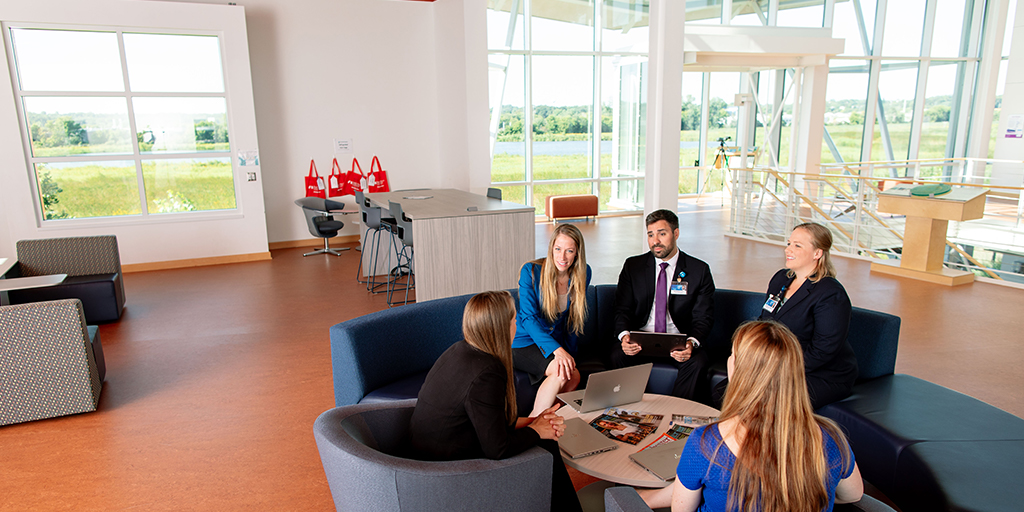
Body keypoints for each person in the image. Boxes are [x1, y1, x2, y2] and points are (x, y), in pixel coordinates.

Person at [639, 321, 864, 512]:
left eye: (732, 355)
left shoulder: (707, 443)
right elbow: (853, 495)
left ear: (738, 371)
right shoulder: (831, 438)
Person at [409, 291, 582, 512]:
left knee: (544, 435)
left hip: (432, 452)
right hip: (446, 470)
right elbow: (497, 448)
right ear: (502, 327)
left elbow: (489, 421)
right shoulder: (488, 372)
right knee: (546, 443)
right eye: (514, 320)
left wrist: (535, 421)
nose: (517, 325)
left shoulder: (459, 350)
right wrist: (537, 431)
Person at [612, 208, 714, 402]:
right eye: (650, 235)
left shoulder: (698, 270)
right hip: (640, 341)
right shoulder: (633, 266)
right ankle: (629, 410)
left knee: (697, 362)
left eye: (662, 234)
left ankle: (676, 410)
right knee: (617, 355)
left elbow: (703, 317)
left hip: (679, 341)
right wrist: (625, 336)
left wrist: (690, 343)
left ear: (676, 233)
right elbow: (622, 309)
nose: (655, 241)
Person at [758, 222, 858, 409]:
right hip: (778, 364)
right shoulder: (781, 278)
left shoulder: (830, 293)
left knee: (763, 400)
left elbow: (823, 350)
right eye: (789, 243)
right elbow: (764, 322)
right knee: (725, 390)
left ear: (817, 253)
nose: (788, 249)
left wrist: (779, 370)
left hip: (819, 374)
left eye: (797, 245)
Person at [512, 224, 592, 417]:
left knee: (573, 376)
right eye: (558, 249)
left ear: (577, 253)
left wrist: (569, 356)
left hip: (552, 342)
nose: (562, 257)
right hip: (523, 341)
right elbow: (528, 318)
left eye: (569, 251)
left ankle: (549, 421)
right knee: (560, 371)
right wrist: (558, 351)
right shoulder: (531, 271)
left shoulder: (583, 273)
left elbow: (572, 320)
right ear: (551, 248)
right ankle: (533, 423)